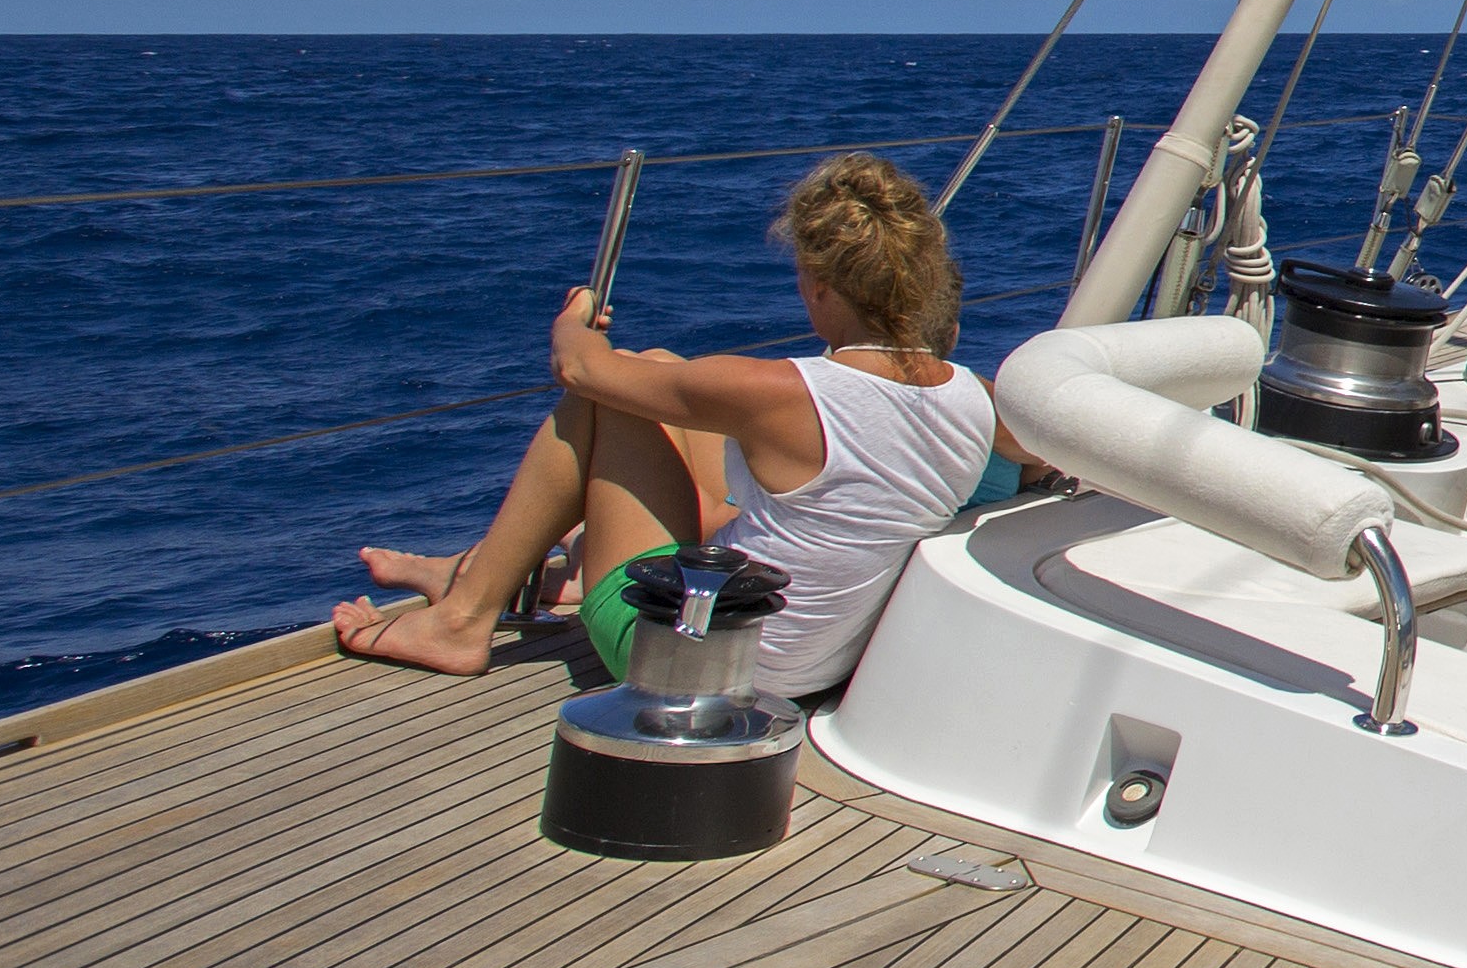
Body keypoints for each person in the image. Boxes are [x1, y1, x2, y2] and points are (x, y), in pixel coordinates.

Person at [334, 152, 1003, 699]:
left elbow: (579, 369)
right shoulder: (975, 397)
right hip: (809, 663)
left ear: (822, 286)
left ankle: (461, 619)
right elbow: (1029, 439)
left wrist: (574, 319)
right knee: (654, 369)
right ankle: (481, 574)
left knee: (611, 391)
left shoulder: (781, 392)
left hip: (694, 658)